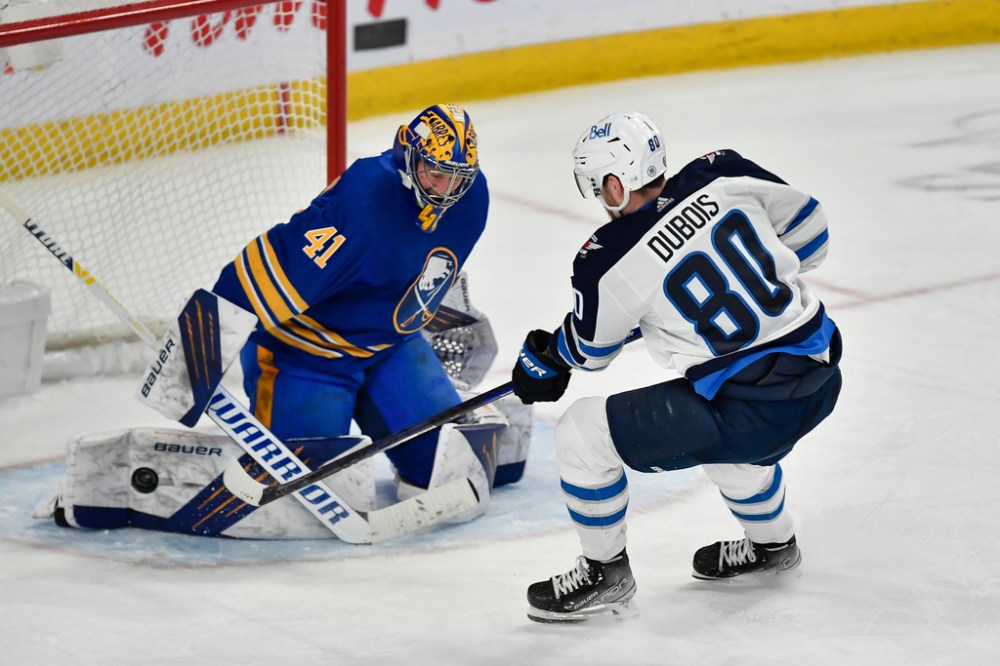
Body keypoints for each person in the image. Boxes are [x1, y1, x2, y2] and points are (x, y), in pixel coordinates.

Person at [37, 103, 528, 541]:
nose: (444, 190)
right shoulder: (362, 205)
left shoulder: (472, 199)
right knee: (307, 504)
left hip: (391, 350)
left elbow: (429, 264)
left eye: (456, 177)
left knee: (447, 468)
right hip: (306, 358)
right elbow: (260, 273)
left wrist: (447, 318)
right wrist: (194, 360)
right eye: (435, 173)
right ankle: (122, 484)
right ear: (407, 155)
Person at [511, 111, 843, 623]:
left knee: (581, 432)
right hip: (821, 374)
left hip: (751, 412)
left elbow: (591, 351)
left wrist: (548, 357)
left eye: (599, 186)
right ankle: (773, 547)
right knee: (725, 438)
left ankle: (605, 574)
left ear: (616, 184)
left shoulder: (609, 257)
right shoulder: (723, 171)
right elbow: (812, 236)